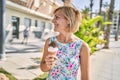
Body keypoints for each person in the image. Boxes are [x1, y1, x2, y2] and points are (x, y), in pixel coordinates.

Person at [40, 6, 90, 80]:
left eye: (57, 17)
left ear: (68, 21)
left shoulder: (82, 47)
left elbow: (85, 78)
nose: (53, 21)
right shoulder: (50, 41)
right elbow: (43, 69)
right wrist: (48, 64)